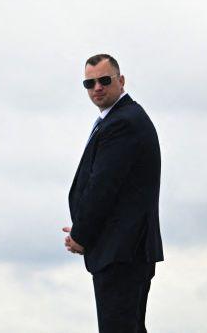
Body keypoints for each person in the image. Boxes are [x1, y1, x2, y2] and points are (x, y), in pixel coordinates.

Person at [63, 54, 163, 332]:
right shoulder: (119, 119)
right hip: (123, 250)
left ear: (120, 81)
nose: (97, 87)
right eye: (89, 83)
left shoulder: (123, 123)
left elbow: (103, 187)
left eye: (104, 80)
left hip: (122, 251)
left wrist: (81, 235)